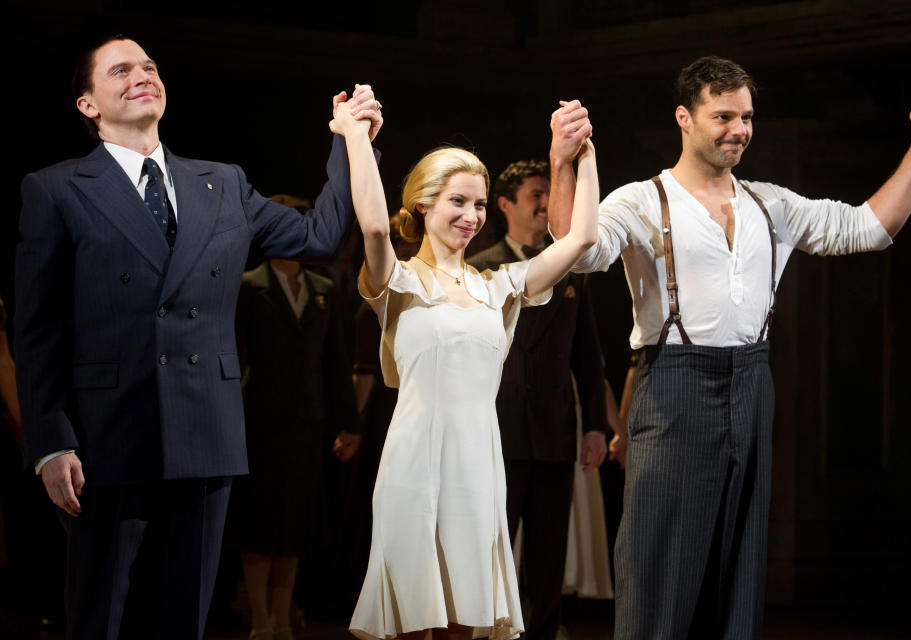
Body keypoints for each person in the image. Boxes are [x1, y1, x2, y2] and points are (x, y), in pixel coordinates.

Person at [547, 56, 911, 639]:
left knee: (735, 558)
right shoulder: (641, 200)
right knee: (660, 555)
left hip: (751, 383)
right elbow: (578, 249)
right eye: (723, 116)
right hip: (672, 385)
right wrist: (564, 164)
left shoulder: (770, 204)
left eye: (746, 117)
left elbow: (870, 229)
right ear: (684, 118)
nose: (739, 128)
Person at [14, 34, 382, 639]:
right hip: (105, 437)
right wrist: (50, 443)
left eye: (151, 66)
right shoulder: (55, 189)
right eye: (122, 70)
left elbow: (319, 235)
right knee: (100, 615)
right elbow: (36, 327)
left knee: (184, 617)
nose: (143, 75)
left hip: (204, 433)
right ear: (87, 104)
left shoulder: (222, 183)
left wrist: (350, 142)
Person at [328, 97, 597, 639]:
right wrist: (354, 136)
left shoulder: (498, 287)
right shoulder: (398, 283)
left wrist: (577, 154)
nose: (471, 216)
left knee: (465, 619)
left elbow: (581, 239)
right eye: (457, 201)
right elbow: (376, 230)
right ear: (424, 205)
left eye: (478, 204)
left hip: (479, 462)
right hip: (414, 461)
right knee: (411, 617)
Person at [467, 159, 607, 640]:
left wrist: (595, 426)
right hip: (496, 430)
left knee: (548, 551)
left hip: (553, 428)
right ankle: (488, 630)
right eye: (535, 194)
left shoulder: (570, 268)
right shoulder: (478, 268)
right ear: (504, 204)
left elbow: (587, 357)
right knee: (492, 543)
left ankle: (542, 632)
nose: (546, 203)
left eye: (549, 193)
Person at [233, 255, 360, 640]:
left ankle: (283, 619)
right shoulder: (249, 285)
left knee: (295, 521)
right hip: (257, 421)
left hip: (309, 422)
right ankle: (259, 619)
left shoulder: (323, 287)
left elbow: (337, 360)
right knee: (259, 518)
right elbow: (235, 355)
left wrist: (349, 422)